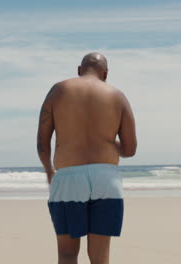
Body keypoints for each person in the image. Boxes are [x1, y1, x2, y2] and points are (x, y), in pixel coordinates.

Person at [37, 52, 137, 264]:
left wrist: (48, 171)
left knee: (67, 253)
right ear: (106, 74)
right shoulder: (117, 96)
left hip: (69, 177)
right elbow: (130, 149)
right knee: (100, 258)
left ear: (79, 70)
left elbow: (42, 142)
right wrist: (107, 141)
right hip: (106, 178)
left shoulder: (59, 90)